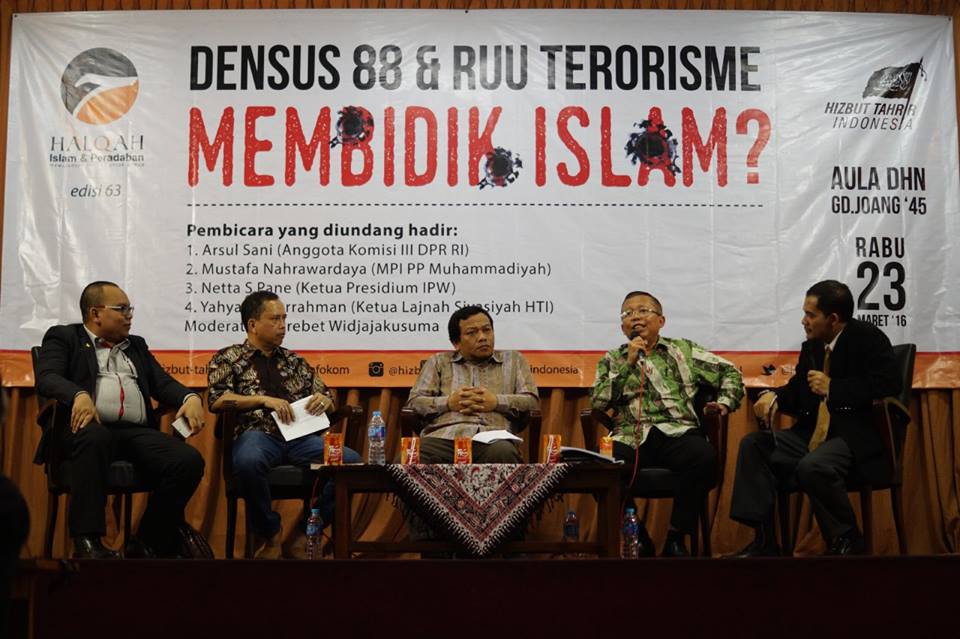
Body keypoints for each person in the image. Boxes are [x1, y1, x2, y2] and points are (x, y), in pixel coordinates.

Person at [728, 280, 901, 557]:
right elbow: (799, 389)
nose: (804, 321)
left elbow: (889, 383)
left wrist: (834, 388)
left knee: (814, 465)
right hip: (812, 433)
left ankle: (846, 539)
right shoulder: (813, 347)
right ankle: (764, 540)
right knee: (755, 445)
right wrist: (774, 396)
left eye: (811, 315)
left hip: (853, 435)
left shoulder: (868, 338)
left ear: (833, 319)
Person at [35, 281, 206, 559]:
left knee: (187, 460)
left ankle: (148, 540)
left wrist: (190, 398)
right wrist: (78, 394)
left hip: (133, 433)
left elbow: (162, 383)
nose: (129, 316)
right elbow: (47, 377)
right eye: (122, 309)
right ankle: (87, 541)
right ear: (96, 313)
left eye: (130, 309)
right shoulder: (65, 337)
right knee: (96, 437)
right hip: (85, 429)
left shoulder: (135, 345)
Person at [207, 290, 360, 559]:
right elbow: (217, 399)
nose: (283, 326)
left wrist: (325, 400)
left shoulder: (294, 361)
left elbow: (326, 395)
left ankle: (306, 533)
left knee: (351, 463)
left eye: (284, 319)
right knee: (248, 461)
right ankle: (271, 534)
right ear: (253, 324)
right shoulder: (228, 357)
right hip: (257, 434)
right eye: (275, 319)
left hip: (300, 438)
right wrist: (262, 400)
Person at [591, 291, 744, 557]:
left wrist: (725, 401)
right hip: (630, 436)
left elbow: (730, 371)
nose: (635, 317)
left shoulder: (684, 350)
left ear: (661, 321)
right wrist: (628, 364)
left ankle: (676, 537)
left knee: (704, 456)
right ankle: (637, 535)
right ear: (622, 326)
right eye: (628, 313)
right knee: (600, 464)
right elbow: (598, 401)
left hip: (678, 432)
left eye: (643, 310)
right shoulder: (612, 359)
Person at [406, 305, 539, 463]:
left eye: (487, 330)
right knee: (409, 456)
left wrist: (496, 402)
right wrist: (448, 403)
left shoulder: (514, 360)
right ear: (456, 343)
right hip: (444, 438)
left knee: (503, 452)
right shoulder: (438, 362)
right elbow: (414, 403)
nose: (482, 337)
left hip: (494, 438)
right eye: (472, 332)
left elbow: (531, 402)